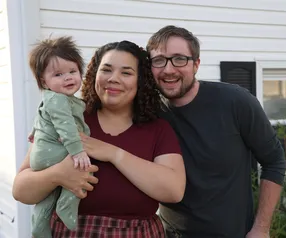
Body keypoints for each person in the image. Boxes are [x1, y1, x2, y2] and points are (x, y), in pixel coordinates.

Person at [12, 40, 186, 238]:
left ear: (140, 81)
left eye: (126, 73)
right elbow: (20, 191)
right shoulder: (67, 119)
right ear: (95, 74)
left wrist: (113, 153)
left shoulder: (157, 129)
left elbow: (174, 191)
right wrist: (58, 174)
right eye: (106, 70)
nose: (113, 79)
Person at [146, 25, 286, 238]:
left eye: (179, 59)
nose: (168, 69)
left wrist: (261, 228)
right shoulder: (149, 112)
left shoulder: (235, 102)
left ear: (196, 65)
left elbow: (274, 162)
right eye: (159, 60)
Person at [27, 36, 93, 238]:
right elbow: (65, 125)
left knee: (46, 198)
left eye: (73, 71)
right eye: (58, 74)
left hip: (43, 156)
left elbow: (42, 116)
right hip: (55, 153)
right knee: (82, 168)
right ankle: (67, 202)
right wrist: (78, 151)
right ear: (43, 81)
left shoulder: (53, 98)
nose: (68, 78)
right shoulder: (58, 100)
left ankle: (39, 227)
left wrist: (34, 133)